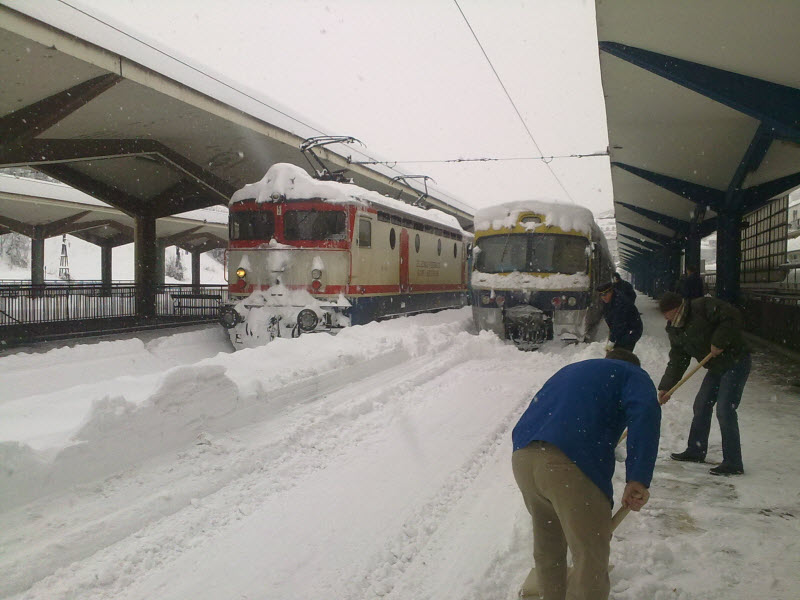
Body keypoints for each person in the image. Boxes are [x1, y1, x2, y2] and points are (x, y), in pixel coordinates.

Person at [512, 348, 661, 600]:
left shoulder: (572, 370)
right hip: (567, 466)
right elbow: (645, 413)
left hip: (524, 458)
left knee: (549, 544)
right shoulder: (632, 374)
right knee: (589, 556)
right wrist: (638, 477)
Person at [657, 291, 751, 475]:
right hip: (716, 366)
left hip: (735, 360)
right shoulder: (675, 329)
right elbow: (678, 360)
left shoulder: (701, 307)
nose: (665, 318)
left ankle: (733, 463)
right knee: (701, 405)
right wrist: (666, 387)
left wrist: (719, 341)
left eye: (666, 313)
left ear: (676, 308)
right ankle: (696, 450)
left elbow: (732, 316)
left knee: (725, 409)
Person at [597, 281, 643, 352]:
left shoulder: (620, 303)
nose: (603, 297)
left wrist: (611, 342)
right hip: (623, 328)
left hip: (631, 331)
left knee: (622, 352)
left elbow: (618, 324)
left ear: (611, 291)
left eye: (605, 294)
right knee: (616, 349)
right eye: (601, 295)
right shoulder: (609, 300)